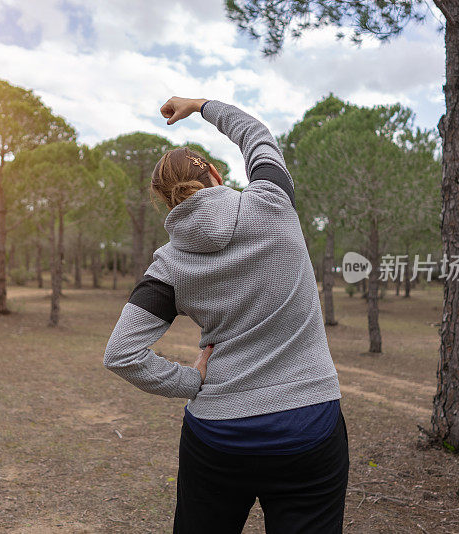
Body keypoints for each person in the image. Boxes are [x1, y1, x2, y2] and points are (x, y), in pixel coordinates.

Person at [103, 96, 348, 534]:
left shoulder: (169, 264)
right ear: (216, 174)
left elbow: (122, 354)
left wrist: (191, 381)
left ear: (164, 202)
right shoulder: (273, 201)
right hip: (309, 425)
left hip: (219, 437)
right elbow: (256, 136)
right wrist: (200, 105)